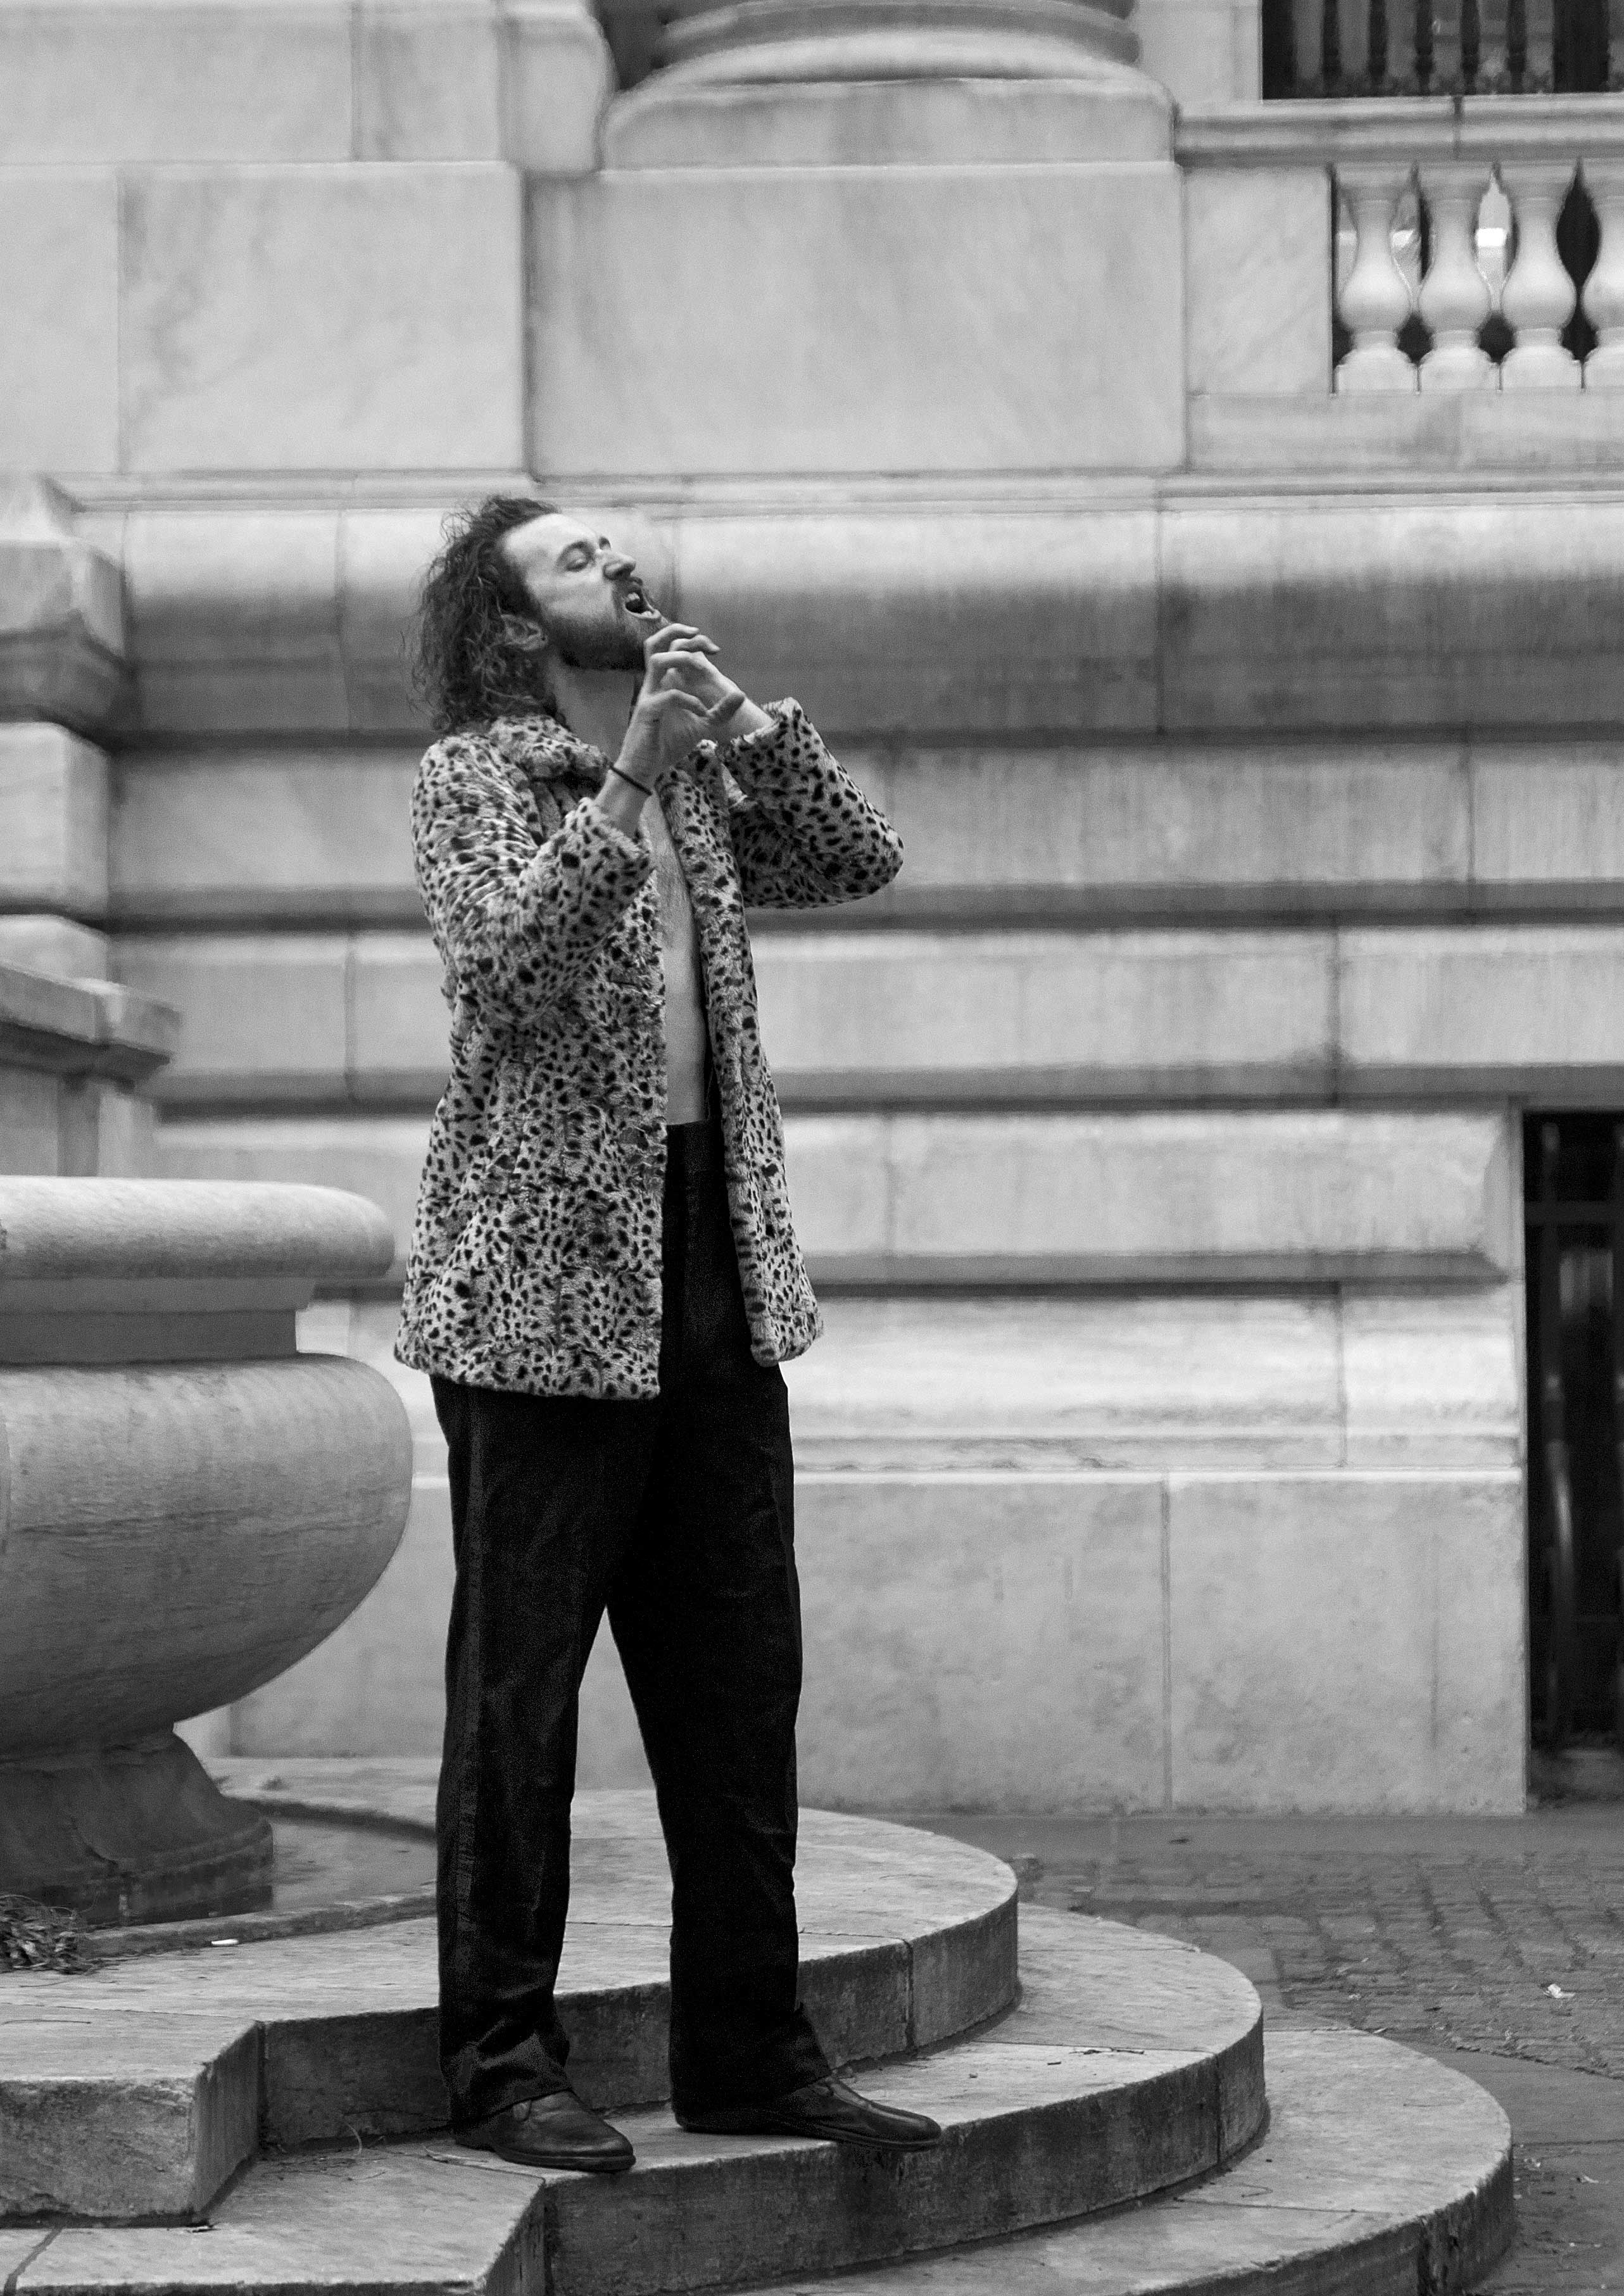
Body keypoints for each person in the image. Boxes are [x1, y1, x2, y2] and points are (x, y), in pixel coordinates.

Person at [399, 495, 936, 2174]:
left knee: (737, 1692)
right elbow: (502, 970)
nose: (617, 564)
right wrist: (626, 775)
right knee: (519, 1705)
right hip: (538, 1296)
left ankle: (749, 2052)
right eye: (575, 558)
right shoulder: (477, 779)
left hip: (713, 1267)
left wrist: (742, 727)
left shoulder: (701, 770)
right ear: (510, 624)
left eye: (621, 548)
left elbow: (856, 857)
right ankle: (502, 2064)